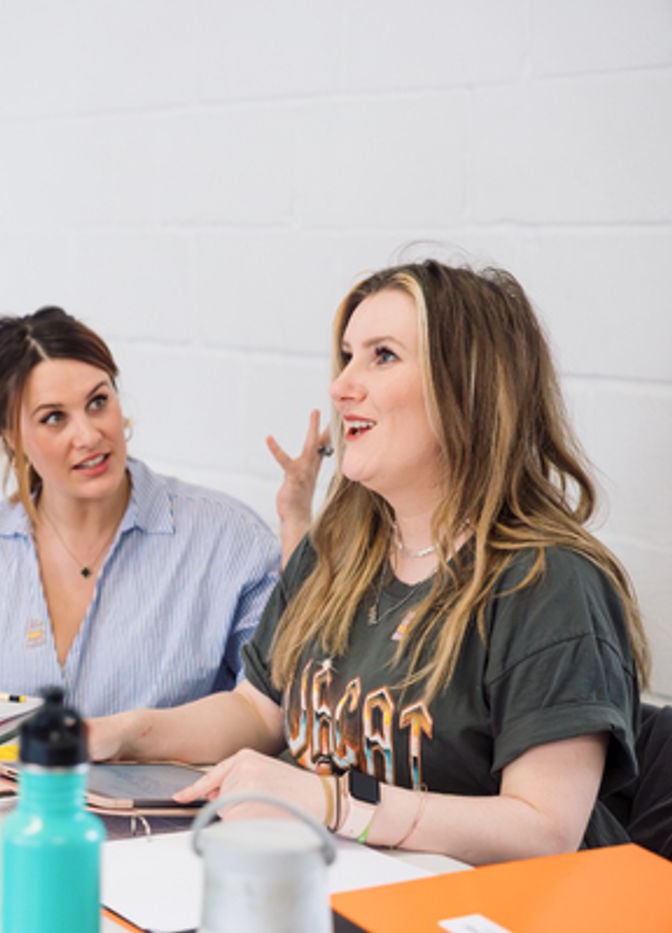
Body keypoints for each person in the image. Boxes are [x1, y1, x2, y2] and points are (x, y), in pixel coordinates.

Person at [89, 260, 648, 866]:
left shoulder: (550, 582)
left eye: (382, 356)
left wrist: (335, 803)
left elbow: (544, 830)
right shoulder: (337, 552)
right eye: (347, 356)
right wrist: (129, 732)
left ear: (468, 387)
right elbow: (258, 709)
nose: (341, 385)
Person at [0, 306, 282, 718]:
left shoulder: (230, 542)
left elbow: (273, 716)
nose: (89, 435)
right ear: (11, 436)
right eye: (54, 417)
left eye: (97, 402)